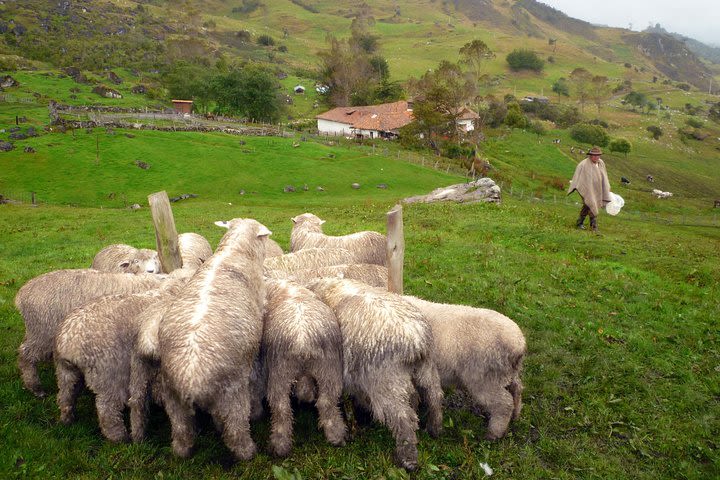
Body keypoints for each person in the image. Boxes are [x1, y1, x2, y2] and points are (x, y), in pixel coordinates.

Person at [567, 146, 612, 232]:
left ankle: (579, 222)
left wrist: (606, 186)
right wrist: (586, 189)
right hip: (586, 188)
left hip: (597, 188)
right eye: (594, 155)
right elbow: (580, 178)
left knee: (587, 205)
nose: (596, 157)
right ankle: (593, 227)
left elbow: (604, 176)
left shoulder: (601, 163)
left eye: (598, 155)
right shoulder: (584, 165)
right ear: (590, 155)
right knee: (591, 204)